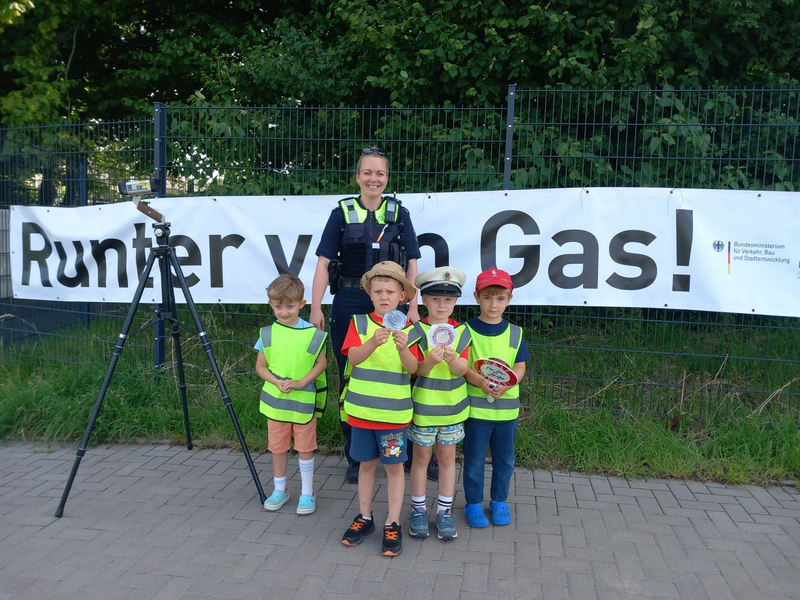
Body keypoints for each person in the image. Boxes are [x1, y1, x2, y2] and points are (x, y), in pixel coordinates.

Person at [310, 146, 421, 485]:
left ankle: (406, 452)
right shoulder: (341, 213)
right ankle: (357, 457)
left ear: (387, 178)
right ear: (358, 177)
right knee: (351, 374)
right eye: (368, 173)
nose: (374, 179)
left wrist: (412, 305)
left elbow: (412, 262)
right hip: (349, 300)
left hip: (392, 302)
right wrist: (316, 306)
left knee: (403, 371)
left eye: (380, 173)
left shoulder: (399, 213)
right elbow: (324, 263)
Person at [339, 261, 419, 557]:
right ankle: (365, 516)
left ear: (402, 296)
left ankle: (393, 521)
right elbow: (353, 359)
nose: (384, 296)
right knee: (366, 465)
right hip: (361, 413)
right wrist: (373, 342)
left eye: (390, 291)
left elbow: (414, 368)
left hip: (394, 416)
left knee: (395, 469)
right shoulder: (359, 324)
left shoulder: (411, 330)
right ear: (370, 295)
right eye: (378, 291)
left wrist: (402, 348)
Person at [462, 268, 531, 528]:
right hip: (477, 412)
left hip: (507, 412)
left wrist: (509, 383)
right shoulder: (466, 331)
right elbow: (463, 366)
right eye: (487, 297)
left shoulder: (515, 332)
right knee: (474, 461)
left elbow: (520, 366)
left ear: (509, 299)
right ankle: (473, 503)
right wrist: (481, 383)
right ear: (476, 297)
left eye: (500, 298)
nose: (494, 304)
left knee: (505, 460)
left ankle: (499, 501)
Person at [255, 274, 328, 515]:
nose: (284, 312)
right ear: (270, 305)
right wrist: (276, 382)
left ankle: (307, 492)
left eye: (290, 306)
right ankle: (280, 489)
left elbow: (322, 364)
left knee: (305, 448)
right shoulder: (267, 333)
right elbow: (260, 366)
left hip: (303, 403)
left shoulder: (313, 334)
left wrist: (300, 382)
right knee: (278, 447)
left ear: (301, 304)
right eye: (278, 306)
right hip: (276, 404)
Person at [406, 266, 470, 541]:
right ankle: (418, 510)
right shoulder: (415, 331)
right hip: (424, 409)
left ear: (455, 302)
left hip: (453, 409)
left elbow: (463, 369)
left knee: (447, 459)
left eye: (448, 299)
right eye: (435, 298)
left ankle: (444, 511)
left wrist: (454, 361)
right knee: (421, 459)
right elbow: (414, 370)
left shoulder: (463, 332)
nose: (442, 304)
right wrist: (430, 361)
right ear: (423, 299)